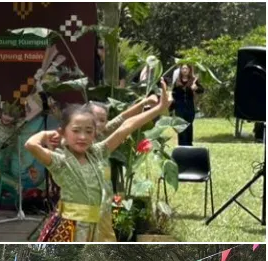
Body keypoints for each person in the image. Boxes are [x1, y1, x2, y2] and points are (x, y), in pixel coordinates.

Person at [26, 81, 172, 242]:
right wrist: (45, 134)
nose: (82, 136)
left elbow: (126, 126)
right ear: (64, 133)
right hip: (69, 229)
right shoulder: (60, 161)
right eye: (76, 131)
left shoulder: (98, 152)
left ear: (94, 134)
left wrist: (158, 108)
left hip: (98, 225)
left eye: (88, 131)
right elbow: (31, 145)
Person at [170, 64, 204, 146]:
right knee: (180, 127)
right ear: (180, 70)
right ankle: (181, 145)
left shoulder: (193, 80)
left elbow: (201, 90)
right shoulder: (177, 81)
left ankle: (189, 145)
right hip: (179, 108)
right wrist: (171, 108)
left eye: (186, 68)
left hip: (189, 107)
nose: (184, 70)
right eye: (183, 68)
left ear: (189, 70)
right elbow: (173, 95)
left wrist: (196, 88)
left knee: (189, 126)